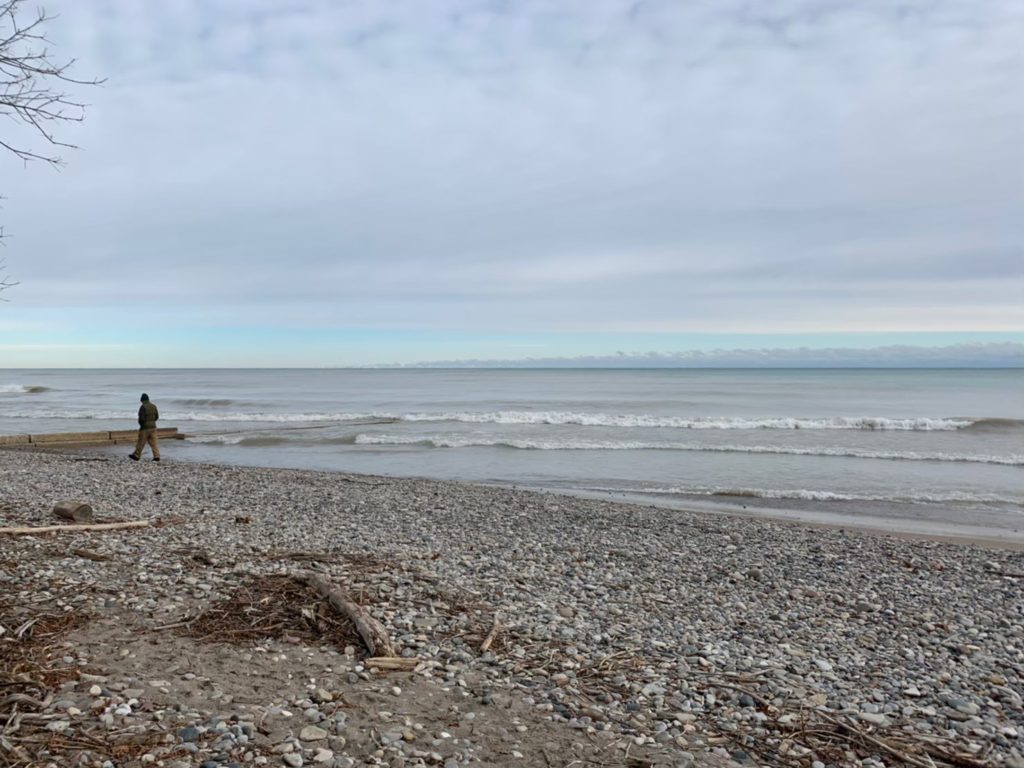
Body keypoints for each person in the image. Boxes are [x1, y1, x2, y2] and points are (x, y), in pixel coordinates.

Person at [129, 393, 161, 461]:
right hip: (153, 427)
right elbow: (157, 417)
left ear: (142, 400)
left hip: (145, 428)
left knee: (141, 442)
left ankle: (136, 456)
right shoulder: (154, 406)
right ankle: (156, 456)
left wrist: (141, 425)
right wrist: (152, 422)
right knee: (154, 443)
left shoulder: (143, 407)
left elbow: (141, 419)